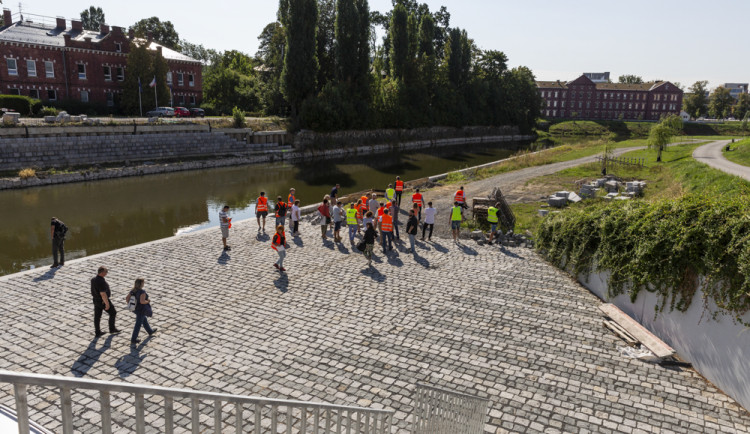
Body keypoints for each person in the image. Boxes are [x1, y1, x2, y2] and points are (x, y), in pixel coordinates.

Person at [126, 278, 156, 345]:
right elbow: (142, 301)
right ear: (141, 284)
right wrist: (148, 301)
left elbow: (127, 298)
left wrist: (131, 304)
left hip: (135, 309)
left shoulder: (133, 290)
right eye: (143, 282)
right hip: (141, 309)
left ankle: (150, 331)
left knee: (144, 319)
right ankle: (133, 339)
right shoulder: (142, 292)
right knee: (138, 324)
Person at [91, 266, 118, 337]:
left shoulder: (93, 279)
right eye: (106, 271)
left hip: (95, 300)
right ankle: (112, 329)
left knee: (97, 316)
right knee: (113, 313)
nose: (107, 273)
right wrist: (107, 304)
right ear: (102, 272)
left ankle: (97, 332)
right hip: (102, 301)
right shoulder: (101, 281)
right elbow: (103, 294)